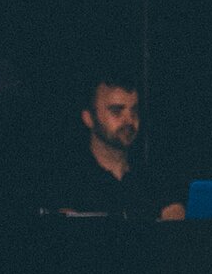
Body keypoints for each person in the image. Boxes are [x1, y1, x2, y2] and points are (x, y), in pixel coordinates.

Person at [47, 73, 183, 219]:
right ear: (88, 119)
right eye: (117, 111)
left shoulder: (154, 181)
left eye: (134, 111)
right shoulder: (67, 182)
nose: (129, 121)